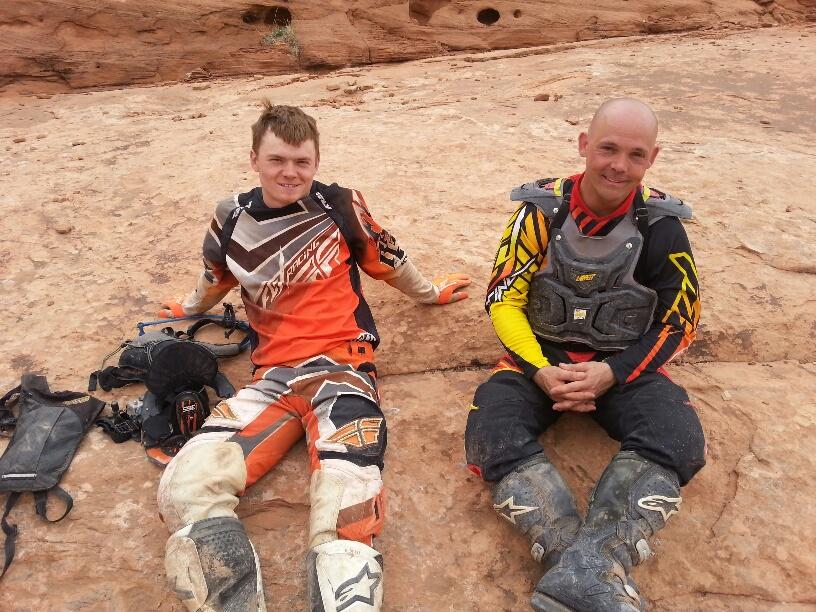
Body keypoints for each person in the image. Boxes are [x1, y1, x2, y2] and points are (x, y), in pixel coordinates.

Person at [155, 101, 470, 612]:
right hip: (271, 381)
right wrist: (188, 308)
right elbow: (216, 276)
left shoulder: (339, 205)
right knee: (183, 489)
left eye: (302, 162)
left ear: (316, 162)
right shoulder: (230, 216)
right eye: (278, 160)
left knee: (348, 507)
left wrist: (431, 292)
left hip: (342, 370)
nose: (290, 173)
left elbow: (387, 260)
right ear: (254, 157)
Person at [465, 98, 705, 612]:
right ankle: (583, 568)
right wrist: (540, 370)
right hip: (541, 357)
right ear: (584, 146)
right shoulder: (540, 212)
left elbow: (679, 321)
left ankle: (590, 564)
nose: (618, 165)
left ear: (652, 159)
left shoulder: (663, 227)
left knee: (678, 436)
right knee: (491, 429)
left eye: (634, 154)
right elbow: (502, 296)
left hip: (623, 364)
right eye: (607, 149)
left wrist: (612, 373)